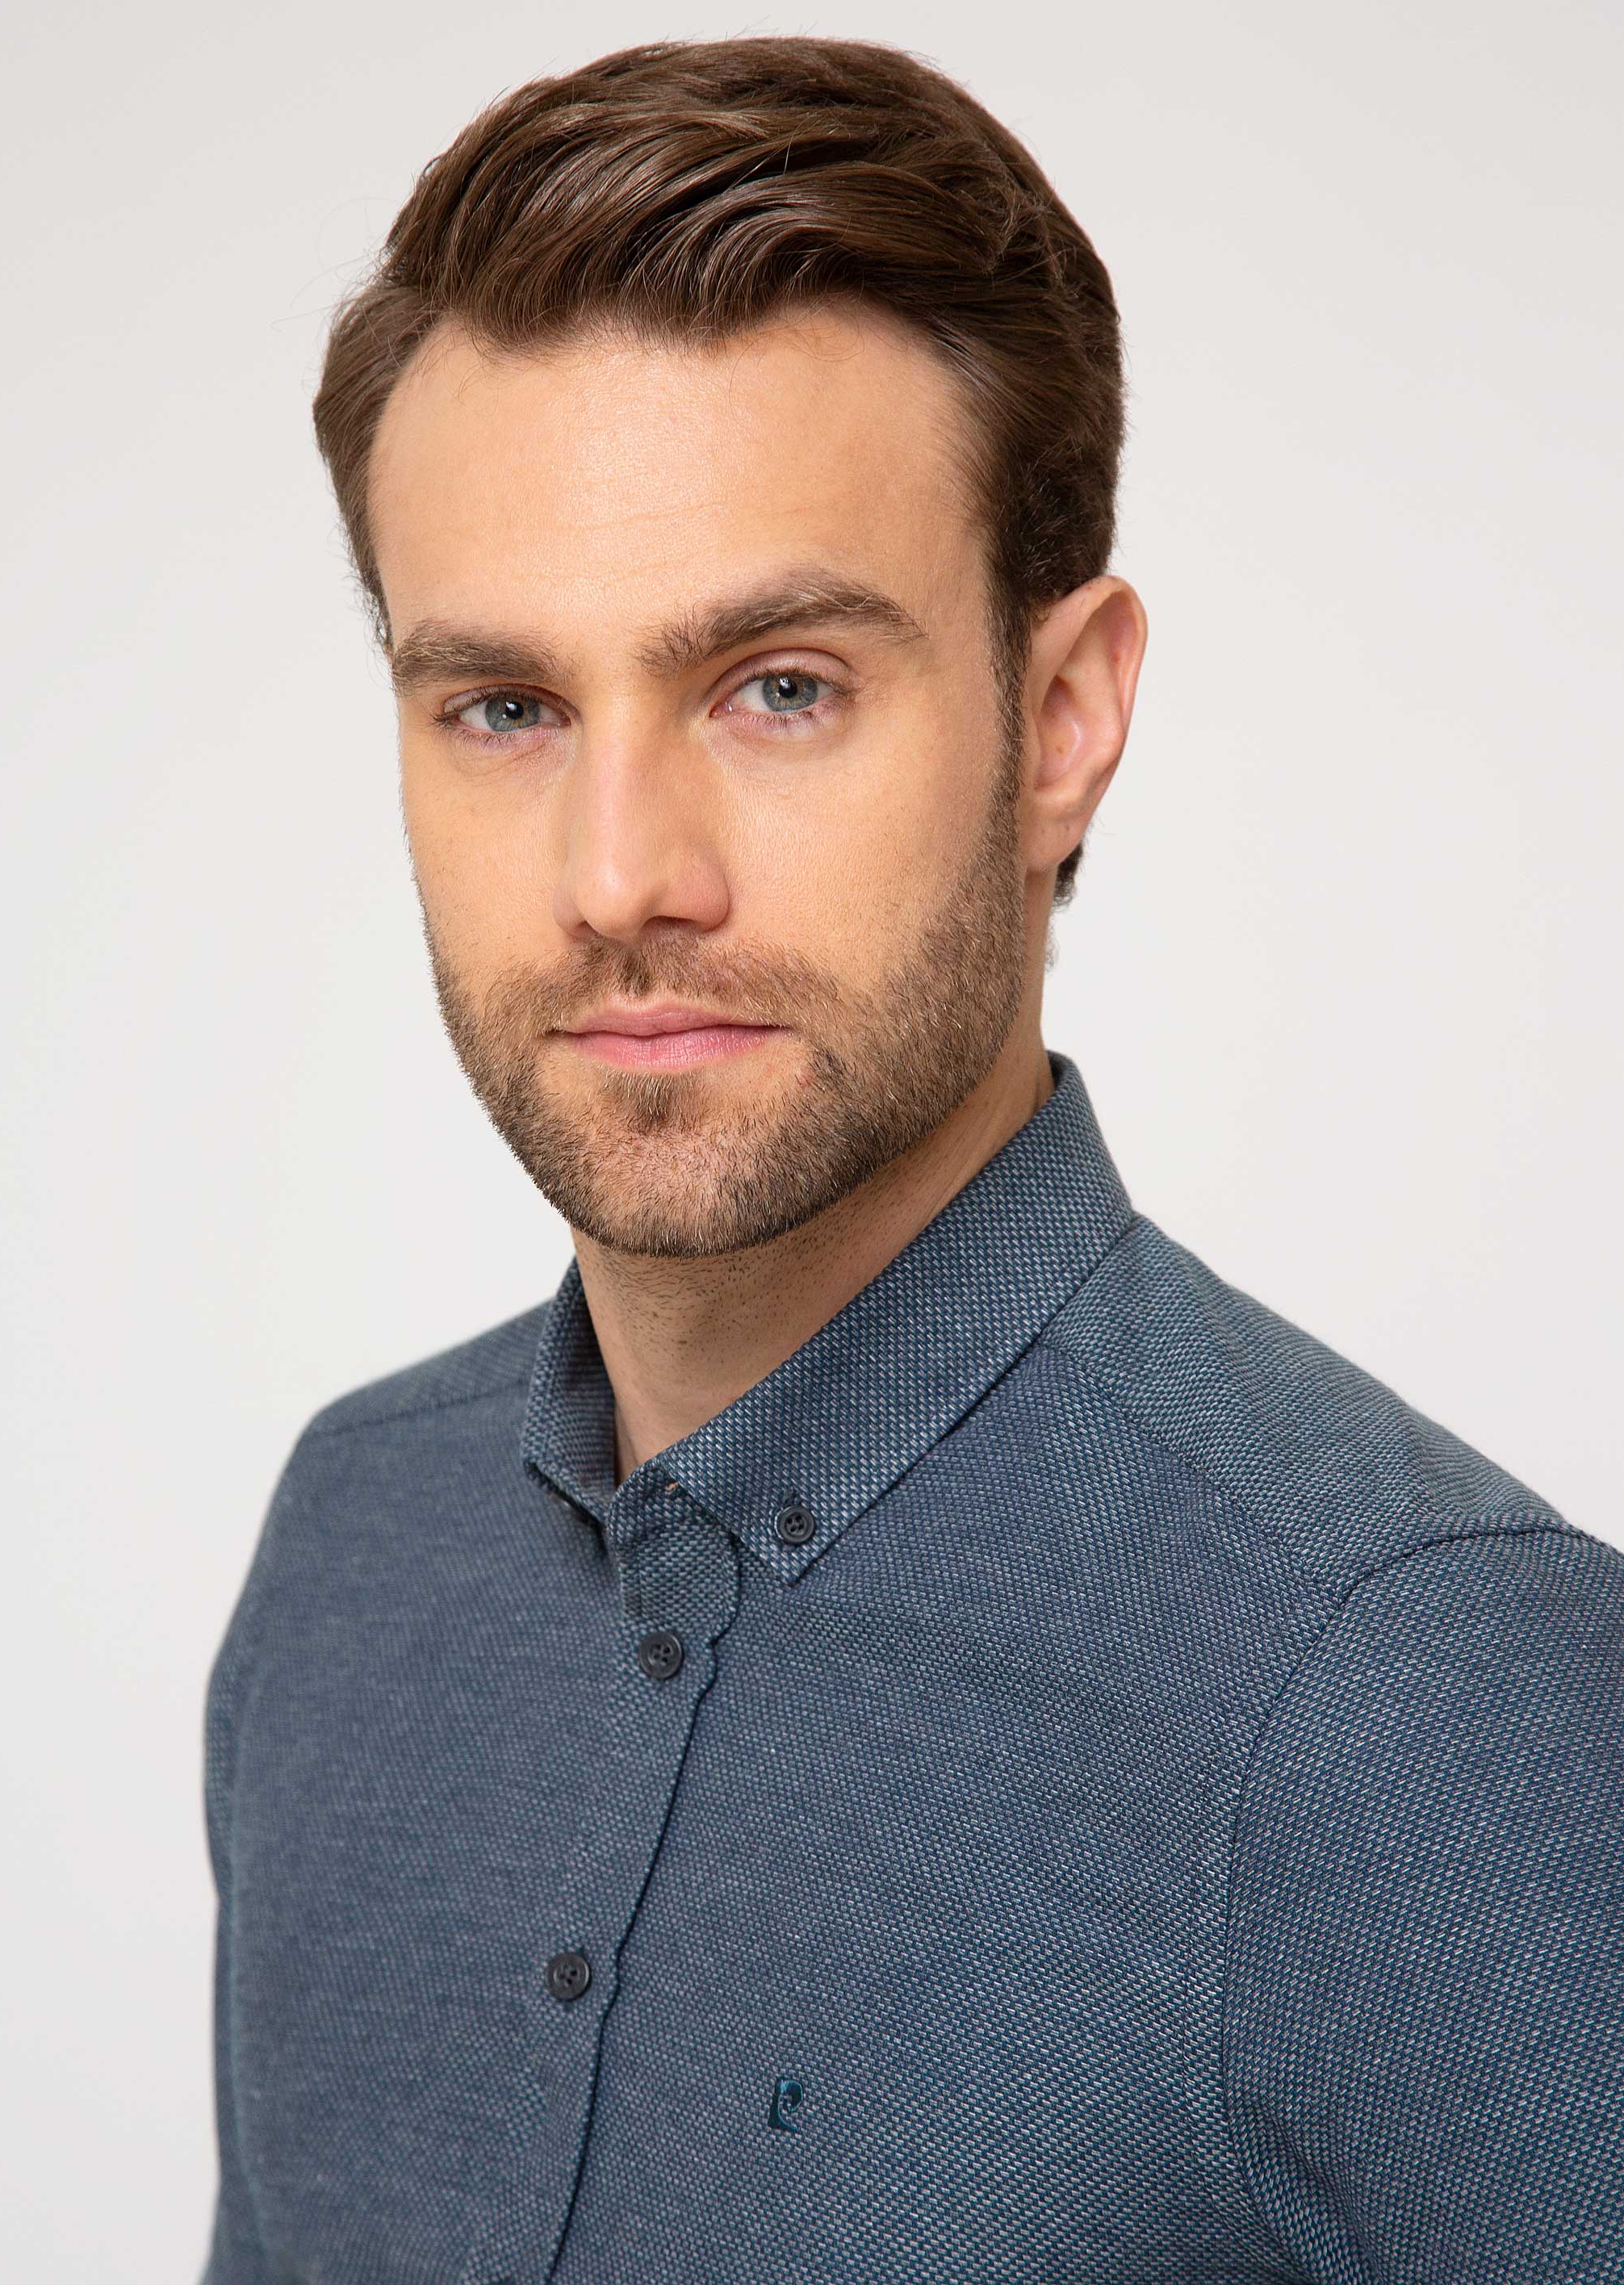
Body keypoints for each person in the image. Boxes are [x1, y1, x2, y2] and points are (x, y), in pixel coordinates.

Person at [200, 36, 1624, 2284]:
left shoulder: (1420, 1704)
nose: (617, 875)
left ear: (1061, 722)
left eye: (778, 685)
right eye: (504, 707)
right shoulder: (355, 1545)